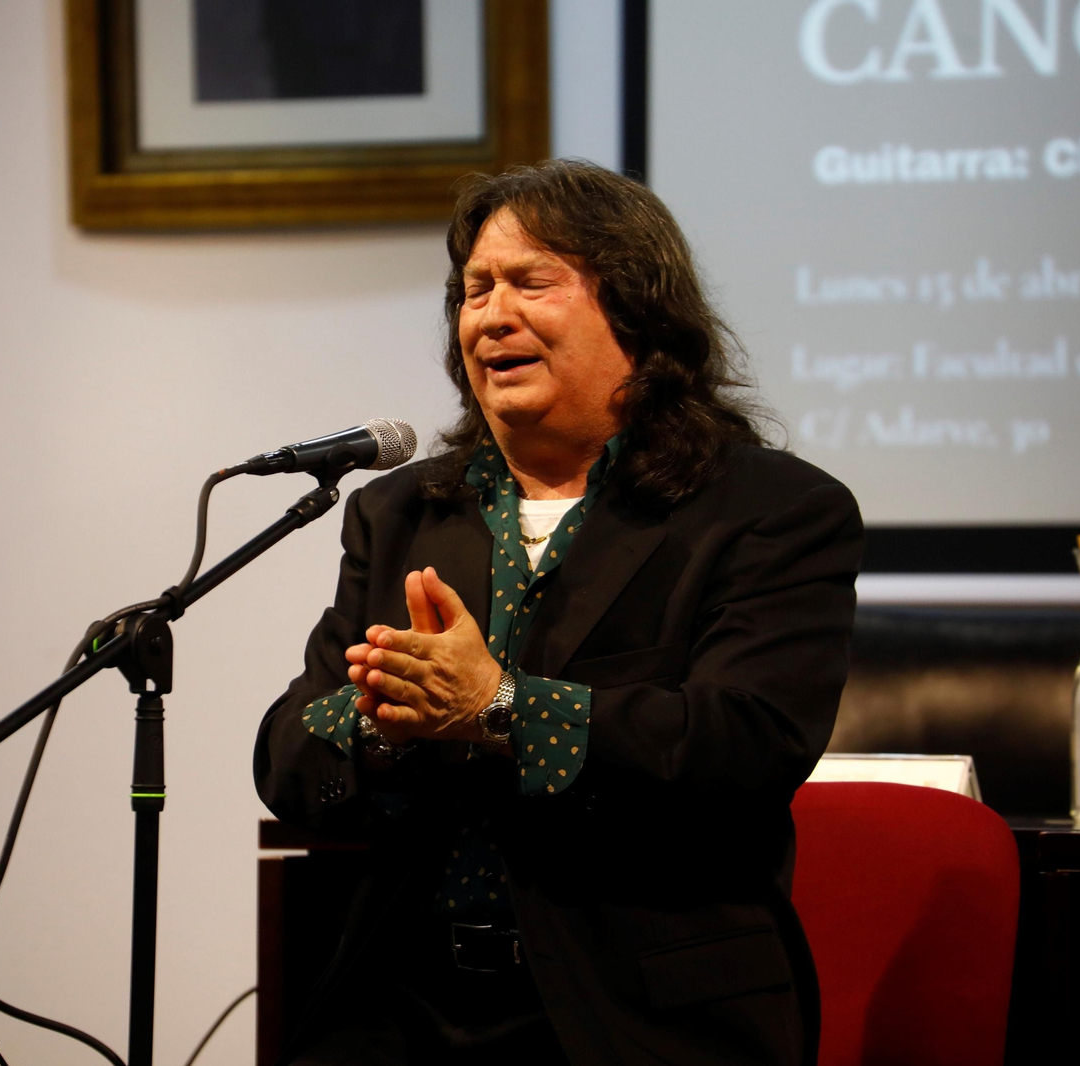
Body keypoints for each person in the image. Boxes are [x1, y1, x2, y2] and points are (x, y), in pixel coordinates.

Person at [254, 159, 863, 1066]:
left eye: (530, 283)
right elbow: (290, 761)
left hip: (643, 1014)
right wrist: (387, 723)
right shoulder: (402, 513)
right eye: (474, 291)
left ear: (639, 313)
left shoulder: (767, 509)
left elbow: (744, 741)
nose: (491, 315)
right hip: (399, 1003)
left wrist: (501, 709)